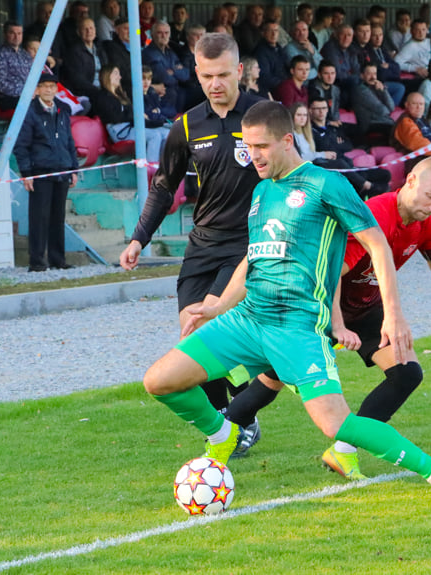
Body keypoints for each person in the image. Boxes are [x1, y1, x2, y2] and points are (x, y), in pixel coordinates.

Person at [145, 101, 431, 505]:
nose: (253, 155)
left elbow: (378, 246)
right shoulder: (262, 191)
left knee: (336, 423)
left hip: (297, 327)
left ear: (286, 140)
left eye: (261, 146)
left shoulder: (326, 184)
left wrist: (394, 318)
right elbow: (253, 260)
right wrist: (216, 306)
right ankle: (222, 432)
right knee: (159, 381)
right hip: (247, 319)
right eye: (247, 146)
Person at [225, 155, 431, 480]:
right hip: (319, 303)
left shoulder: (427, 224)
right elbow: (331, 274)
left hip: (365, 307)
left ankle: (344, 451)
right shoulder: (375, 216)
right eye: (430, 196)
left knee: (406, 373)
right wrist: (335, 324)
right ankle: (221, 435)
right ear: (410, 181)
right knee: (274, 377)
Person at [118, 33, 265, 447]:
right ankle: (229, 417)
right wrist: (139, 239)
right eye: (206, 76)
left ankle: (240, 417)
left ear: (238, 71)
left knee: (207, 326)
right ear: (197, 74)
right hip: (202, 245)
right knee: (192, 338)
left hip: (247, 244)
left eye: (222, 75)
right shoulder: (186, 125)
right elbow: (164, 186)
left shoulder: (262, 115)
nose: (215, 84)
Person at [13, 73, 79, 272]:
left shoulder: (63, 110)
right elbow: (21, 146)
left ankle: (58, 259)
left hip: (62, 169)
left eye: (52, 86)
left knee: (58, 218)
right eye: (45, 86)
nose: (49, 90)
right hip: (40, 171)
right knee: (39, 218)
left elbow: (69, 141)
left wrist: (73, 168)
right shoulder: (29, 112)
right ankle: (37, 261)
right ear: (37, 89)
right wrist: (26, 172)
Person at [303, 98, 390, 198]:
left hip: (348, 166)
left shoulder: (333, 127)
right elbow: (323, 146)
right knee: (369, 182)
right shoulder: (310, 131)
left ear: (327, 109)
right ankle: (364, 190)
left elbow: (348, 145)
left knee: (385, 174)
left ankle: (364, 192)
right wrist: (336, 144)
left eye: (323, 108)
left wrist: (333, 145)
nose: (321, 111)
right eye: (317, 108)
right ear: (310, 110)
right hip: (331, 169)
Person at [93, 65, 166, 162]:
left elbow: (131, 115)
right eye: (116, 73)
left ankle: (164, 169)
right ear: (107, 75)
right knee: (155, 135)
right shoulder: (103, 96)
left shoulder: (121, 95)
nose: (119, 77)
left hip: (130, 127)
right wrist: (131, 115)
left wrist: (160, 123)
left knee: (166, 133)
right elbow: (114, 117)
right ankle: (151, 171)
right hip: (120, 131)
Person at [143, 20, 189, 115]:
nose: (164, 36)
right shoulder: (149, 53)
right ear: (152, 34)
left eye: (166, 33)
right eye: (159, 33)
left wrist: (173, 72)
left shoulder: (170, 52)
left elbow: (186, 74)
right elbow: (165, 78)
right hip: (161, 97)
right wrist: (176, 70)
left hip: (176, 96)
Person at [0, 21, 33, 111]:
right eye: (12, 33)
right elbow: (0, 83)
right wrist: (23, 92)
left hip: (29, 95)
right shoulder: (0, 55)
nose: (16, 37)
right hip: (10, 97)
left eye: (19, 33)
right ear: (5, 34)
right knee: (36, 106)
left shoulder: (25, 54)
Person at [61, 17, 106, 99]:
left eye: (91, 28)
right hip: (87, 92)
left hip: (103, 89)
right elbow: (77, 80)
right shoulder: (73, 52)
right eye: (85, 29)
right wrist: (97, 91)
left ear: (95, 31)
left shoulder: (100, 48)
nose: (89, 31)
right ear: (78, 32)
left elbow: (107, 69)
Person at [254, 21, 288, 96]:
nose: (274, 34)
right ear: (263, 33)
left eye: (276, 30)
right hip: (271, 91)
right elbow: (265, 77)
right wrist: (285, 84)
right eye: (270, 31)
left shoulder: (279, 49)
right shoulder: (260, 51)